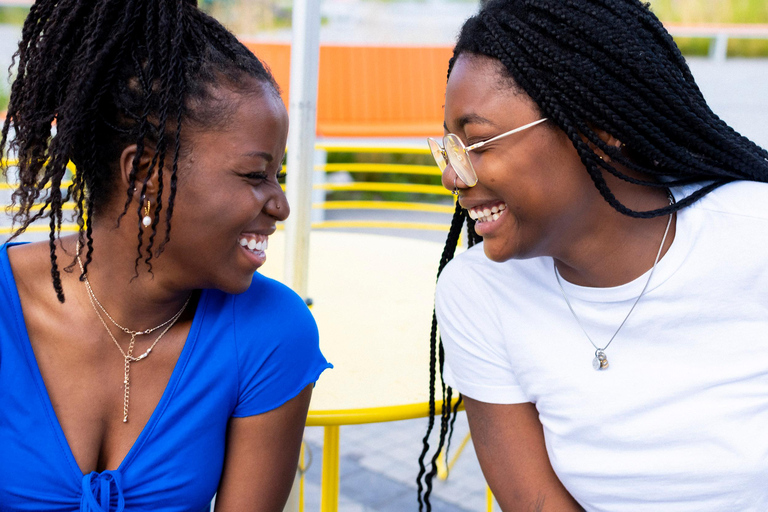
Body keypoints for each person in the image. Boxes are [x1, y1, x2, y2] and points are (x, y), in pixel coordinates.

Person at [416, 0, 768, 510]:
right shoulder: (477, 291)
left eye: (479, 143)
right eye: (449, 148)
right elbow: (536, 501)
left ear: (596, 132)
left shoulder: (753, 236)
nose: (453, 175)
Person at [0, 0, 331, 510]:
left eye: (279, 176)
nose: (281, 206)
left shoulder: (271, 332)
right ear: (143, 174)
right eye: (254, 175)